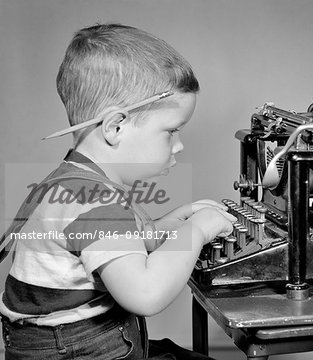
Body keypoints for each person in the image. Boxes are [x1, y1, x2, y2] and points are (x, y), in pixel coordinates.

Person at [0, 23, 236, 359]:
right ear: (116, 127)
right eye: (171, 132)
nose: (179, 145)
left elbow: (124, 245)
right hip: (79, 350)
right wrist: (196, 232)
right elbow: (145, 293)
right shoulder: (93, 199)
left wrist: (172, 224)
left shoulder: (75, 180)